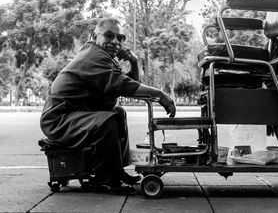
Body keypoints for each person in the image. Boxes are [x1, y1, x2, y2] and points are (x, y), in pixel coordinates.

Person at [40, 17, 176, 195]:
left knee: (118, 113)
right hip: (59, 120)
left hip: (77, 113)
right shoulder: (93, 56)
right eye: (109, 36)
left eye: (120, 38)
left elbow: (129, 84)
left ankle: (117, 171)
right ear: (94, 36)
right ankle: (106, 182)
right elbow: (124, 85)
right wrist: (160, 95)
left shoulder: (102, 56)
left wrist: (134, 62)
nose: (115, 42)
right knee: (108, 121)